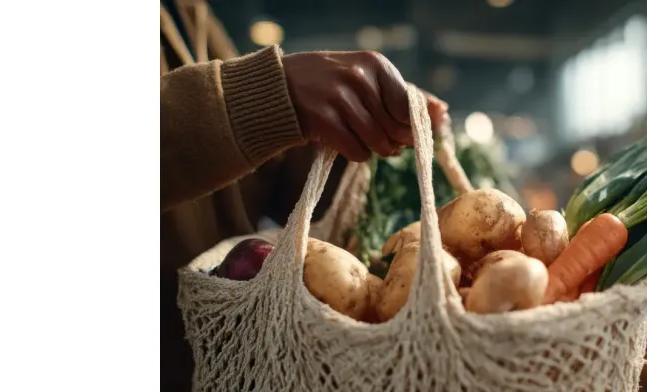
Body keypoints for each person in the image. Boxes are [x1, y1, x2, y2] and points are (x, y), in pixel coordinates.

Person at [160, 2, 447, 390]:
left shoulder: (186, 10)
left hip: (231, 355)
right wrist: (271, 95)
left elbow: (259, 175)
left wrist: (348, 124)